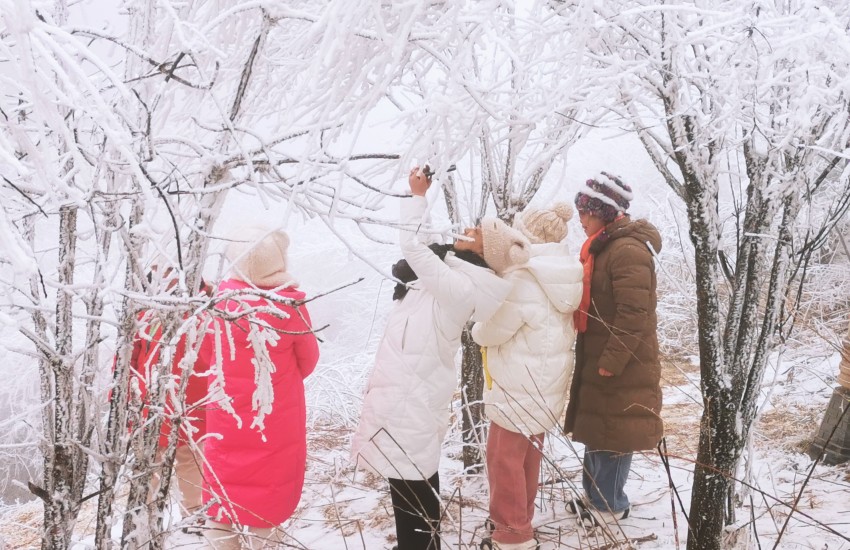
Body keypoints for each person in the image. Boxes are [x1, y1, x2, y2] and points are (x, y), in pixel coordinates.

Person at [351, 166, 530, 550]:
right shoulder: (451, 270)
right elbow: (427, 245)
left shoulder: (460, 287)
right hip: (407, 386)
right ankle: (420, 544)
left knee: (411, 479)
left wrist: (417, 197)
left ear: (485, 253)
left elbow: (413, 247)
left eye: (479, 233)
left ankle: (418, 546)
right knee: (411, 476)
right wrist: (423, 196)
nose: (469, 229)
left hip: (412, 390)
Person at [198, 227, 320, 549]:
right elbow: (308, 360)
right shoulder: (289, 307)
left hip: (225, 416)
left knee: (224, 493)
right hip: (275, 418)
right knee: (269, 496)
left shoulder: (219, 306)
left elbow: (206, 356)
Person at [472, 202, 583, 550]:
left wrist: (477, 325)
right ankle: (521, 518)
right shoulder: (567, 273)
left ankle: (512, 534)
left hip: (517, 386)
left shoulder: (524, 276)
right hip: (546, 386)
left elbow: (490, 332)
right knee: (527, 458)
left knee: (503, 459)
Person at [562, 172, 663, 529]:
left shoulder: (627, 251)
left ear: (604, 212)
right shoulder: (605, 246)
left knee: (615, 434)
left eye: (585, 211)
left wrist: (611, 360)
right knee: (598, 429)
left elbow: (634, 314)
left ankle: (611, 505)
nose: (580, 218)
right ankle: (595, 497)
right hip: (602, 354)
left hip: (622, 362)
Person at [128, 262, 212, 528]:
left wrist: (121, 396)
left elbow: (127, 361)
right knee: (188, 459)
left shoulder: (148, 314)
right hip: (186, 402)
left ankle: (147, 519)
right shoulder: (204, 311)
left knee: (155, 461)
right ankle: (192, 514)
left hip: (156, 402)